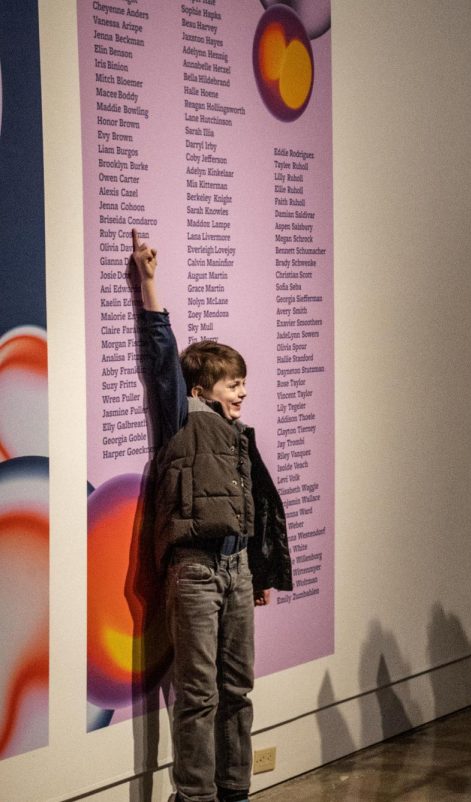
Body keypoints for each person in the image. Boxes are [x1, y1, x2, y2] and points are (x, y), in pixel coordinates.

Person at [131, 231, 292, 802]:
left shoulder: (241, 437)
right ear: (203, 389)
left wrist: (259, 571)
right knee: (198, 694)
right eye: (234, 382)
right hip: (196, 572)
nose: (243, 392)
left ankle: (235, 791)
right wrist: (150, 284)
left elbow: (257, 510)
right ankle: (194, 797)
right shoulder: (184, 418)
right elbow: (160, 358)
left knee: (238, 691)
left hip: (237, 570)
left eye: (244, 382)